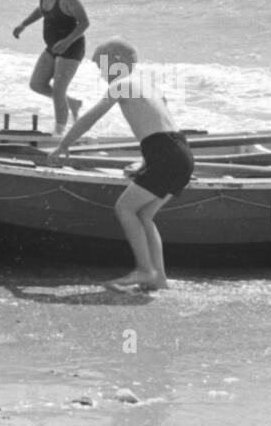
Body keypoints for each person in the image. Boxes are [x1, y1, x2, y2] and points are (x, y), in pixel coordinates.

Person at [46, 38, 193, 291]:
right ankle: (158, 277)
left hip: (164, 155)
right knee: (145, 215)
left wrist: (63, 145)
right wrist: (145, 162)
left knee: (124, 208)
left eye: (101, 64)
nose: (100, 71)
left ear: (117, 62)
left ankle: (144, 270)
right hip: (181, 154)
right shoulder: (148, 86)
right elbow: (160, 127)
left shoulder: (122, 84)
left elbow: (89, 119)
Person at [12, 0, 89, 134]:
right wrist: (23, 24)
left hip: (71, 48)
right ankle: (74, 103)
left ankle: (59, 133)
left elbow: (85, 22)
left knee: (58, 91)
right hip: (53, 47)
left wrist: (67, 41)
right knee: (37, 84)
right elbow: (42, 10)